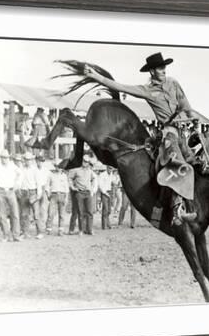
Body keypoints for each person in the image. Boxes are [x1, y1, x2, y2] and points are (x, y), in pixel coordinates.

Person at [84, 52, 197, 226]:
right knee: (178, 165)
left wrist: (192, 119)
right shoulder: (147, 90)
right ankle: (177, 210)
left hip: (183, 133)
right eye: (160, 68)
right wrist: (95, 76)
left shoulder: (173, 83)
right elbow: (119, 86)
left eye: (164, 66)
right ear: (152, 71)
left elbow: (186, 107)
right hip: (168, 135)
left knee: (199, 163)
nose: (163, 70)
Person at [0, 150, 21, 241]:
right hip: (1, 191)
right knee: (2, 215)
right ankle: (6, 235)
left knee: (15, 213)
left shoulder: (12, 166)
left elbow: (20, 174)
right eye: (2, 158)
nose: (4, 159)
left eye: (6, 158)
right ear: (0, 158)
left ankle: (16, 235)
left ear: (8, 158)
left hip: (11, 191)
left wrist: (17, 184)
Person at [68, 155, 96, 235]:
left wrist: (92, 187)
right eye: (84, 161)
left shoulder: (90, 171)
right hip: (79, 192)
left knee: (90, 212)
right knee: (80, 212)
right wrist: (73, 187)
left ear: (88, 163)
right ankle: (81, 230)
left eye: (87, 162)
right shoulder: (76, 170)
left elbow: (94, 178)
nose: (85, 163)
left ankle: (90, 229)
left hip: (87, 192)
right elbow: (69, 178)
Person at [17, 151, 40, 239]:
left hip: (33, 191)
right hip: (24, 192)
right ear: (24, 160)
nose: (28, 161)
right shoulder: (21, 169)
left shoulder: (35, 169)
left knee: (36, 213)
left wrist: (39, 193)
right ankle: (25, 232)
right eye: (26, 159)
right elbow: (19, 180)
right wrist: (18, 188)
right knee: (24, 214)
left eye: (29, 159)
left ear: (32, 160)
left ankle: (40, 232)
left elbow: (38, 182)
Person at [46, 161, 70, 235]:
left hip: (62, 195)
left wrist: (66, 198)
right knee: (51, 213)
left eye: (60, 167)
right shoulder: (51, 175)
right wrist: (48, 194)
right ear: (55, 167)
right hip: (54, 195)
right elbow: (47, 186)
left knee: (62, 214)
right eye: (57, 166)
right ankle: (49, 229)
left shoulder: (64, 176)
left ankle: (61, 230)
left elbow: (66, 188)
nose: (59, 168)